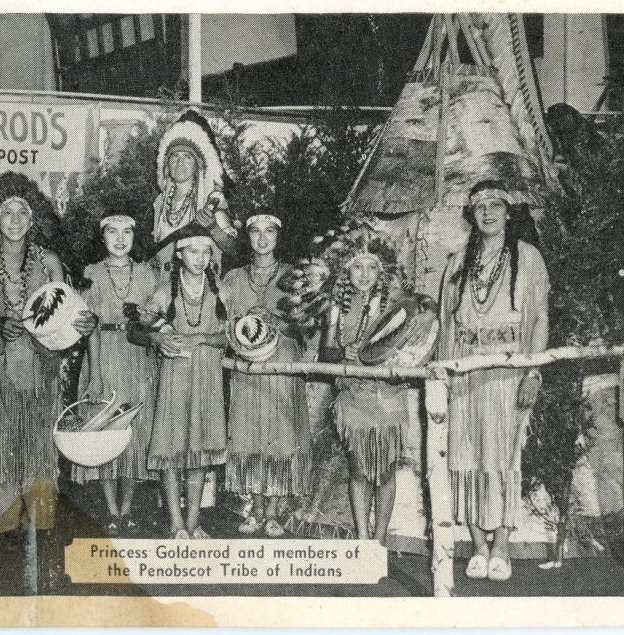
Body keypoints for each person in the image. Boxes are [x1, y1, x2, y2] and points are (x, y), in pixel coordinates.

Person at [0, 172, 96, 540]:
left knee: (38, 449)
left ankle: (42, 527)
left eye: (22, 212)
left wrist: (84, 321)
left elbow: (69, 312)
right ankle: (2, 532)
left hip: (41, 371)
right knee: (2, 450)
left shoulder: (49, 262)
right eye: (7, 213)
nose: (15, 219)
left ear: (33, 222)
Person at [439, 179, 549, 582]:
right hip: (465, 371)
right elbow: (446, 324)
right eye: (480, 207)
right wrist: (444, 375)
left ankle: (501, 544)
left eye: (495, 206)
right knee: (463, 456)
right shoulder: (458, 261)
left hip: (508, 372)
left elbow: (538, 318)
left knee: (504, 458)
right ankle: (478, 546)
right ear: (472, 214)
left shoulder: (528, 257)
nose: (487, 213)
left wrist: (532, 370)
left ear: (507, 212)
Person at [316, 228, 436, 545]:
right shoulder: (336, 308)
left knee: (384, 473)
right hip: (353, 397)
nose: (365, 275)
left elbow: (426, 303)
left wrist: (429, 312)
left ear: (382, 270)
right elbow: (325, 354)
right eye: (358, 267)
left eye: (372, 267)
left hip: (388, 398)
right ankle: (362, 538)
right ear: (346, 270)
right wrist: (344, 353)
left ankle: (380, 540)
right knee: (358, 471)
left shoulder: (395, 303)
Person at [221, 213, 311, 537]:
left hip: (282, 362)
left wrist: (274, 319)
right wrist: (243, 322)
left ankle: (273, 512)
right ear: (247, 237)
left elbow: (304, 325)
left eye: (269, 231)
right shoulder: (232, 278)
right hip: (246, 364)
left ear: (278, 236)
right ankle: (255, 509)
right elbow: (222, 325)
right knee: (249, 432)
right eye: (255, 232)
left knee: (279, 433)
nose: (262, 238)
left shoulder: (293, 275)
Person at [70, 214, 158, 536]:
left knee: (135, 433)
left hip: (138, 358)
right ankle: (110, 510)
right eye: (112, 232)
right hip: (104, 355)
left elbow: (156, 322)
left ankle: (127, 509)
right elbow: (89, 326)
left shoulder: (148, 274)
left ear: (135, 236)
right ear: (102, 237)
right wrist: (94, 372)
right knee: (105, 431)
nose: (120, 239)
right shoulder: (91, 274)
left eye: (126, 232)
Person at [142, 224, 228, 539]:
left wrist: (204, 336)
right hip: (175, 376)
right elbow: (140, 327)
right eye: (193, 251)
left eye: (206, 251)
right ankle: (176, 523)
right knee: (171, 447)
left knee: (200, 448)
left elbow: (230, 337)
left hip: (208, 377)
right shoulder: (166, 289)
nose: (200, 258)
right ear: (180, 254)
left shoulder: (220, 290)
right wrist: (156, 337)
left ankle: (193, 522)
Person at [151, 110, 238, 275]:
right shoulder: (159, 204)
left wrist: (213, 227)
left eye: (187, 157)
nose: (180, 163)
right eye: (175, 156)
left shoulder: (212, 201)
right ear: (166, 164)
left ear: (198, 166)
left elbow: (234, 251)